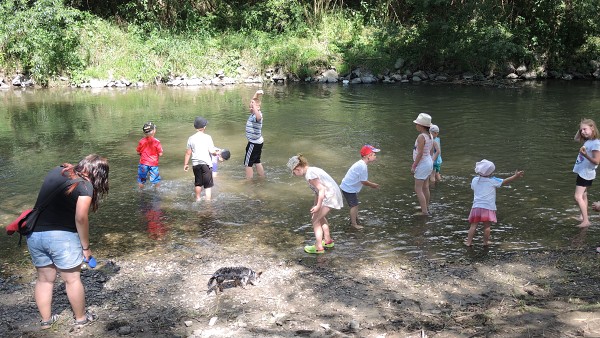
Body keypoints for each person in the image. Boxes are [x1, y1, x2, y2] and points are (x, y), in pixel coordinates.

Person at [26, 154, 109, 329]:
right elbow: (81, 218)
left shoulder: (58, 170)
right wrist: (86, 247)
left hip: (35, 234)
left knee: (44, 280)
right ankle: (81, 319)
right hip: (61, 238)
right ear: (99, 175)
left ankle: (46, 321)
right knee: (72, 280)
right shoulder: (86, 187)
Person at [287, 154, 343, 254]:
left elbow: (322, 189)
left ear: (298, 168)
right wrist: (315, 205)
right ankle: (328, 240)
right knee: (319, 217)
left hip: (330, 196)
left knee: (315, 220)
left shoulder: (310, 174)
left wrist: (318, 206)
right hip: (331, 194)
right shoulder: (311, 170)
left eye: (294, 172)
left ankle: (318, 247)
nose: (294, 174)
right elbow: (317, 191)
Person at [465, 159, 524, 246]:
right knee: (487, 226)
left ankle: (468, 242)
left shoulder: (474, 180)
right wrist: (515, 176)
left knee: (473, 225)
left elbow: (473, 188)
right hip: (488, 207)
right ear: (491, 172)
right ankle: (485, 242)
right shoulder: (493, 180)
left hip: (476, 206)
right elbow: (505, 181)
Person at [339, 144, 381, 229]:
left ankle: (355, 218)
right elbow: (364, 182)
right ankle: (354, 224)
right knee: (354, 205)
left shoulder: (361, 164)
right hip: (348, 188)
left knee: (355, 204)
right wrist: (373, 185)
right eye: (374, 155)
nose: (375, 156)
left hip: (348, 186)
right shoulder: (362, 166)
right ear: (368, 156)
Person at [573, 118, 600, 228]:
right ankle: (582, 216)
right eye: (581, 130)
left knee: (577, 196)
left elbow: (597, 161)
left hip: (586, 173)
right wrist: (581, 128)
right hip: (584, 172)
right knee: (583, 194)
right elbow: (576, 139)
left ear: (592, 128)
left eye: (585, 129)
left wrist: (585, 155)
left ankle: (586, 221)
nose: (582, 132)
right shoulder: (588, 140)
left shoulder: (596, 143)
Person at [184, 117, 219, 201]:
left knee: (198, 183)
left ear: (194, 127)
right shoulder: (207, 137)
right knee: (207, 185)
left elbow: (188, 153)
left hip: (196, 164)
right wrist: (216, 153)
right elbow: (211, 151)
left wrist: (185, 164)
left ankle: (198, 198)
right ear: (204, 127)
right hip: (206, 164)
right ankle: (208, 201)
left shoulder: (191, 138)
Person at [411, 113, 434, 215]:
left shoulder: (421, 136)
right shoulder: (430, 135)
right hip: (429, 162)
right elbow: (430, 150)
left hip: (423, 163)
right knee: (425, 187)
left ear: (421, 126)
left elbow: (420, 153)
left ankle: (424, 211)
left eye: (417, 124)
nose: (416, 125)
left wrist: (414, 165)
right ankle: (426, 206)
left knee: (418, 188)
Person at [244, 89, 265, 179]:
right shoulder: (253, 113)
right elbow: (253, 102)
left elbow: (259, 117)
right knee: (257, 161)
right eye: (250, 107)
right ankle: (262, 177)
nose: (250, 108)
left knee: (248, 164)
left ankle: (248, 181)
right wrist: (256, 94)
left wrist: (255, 108)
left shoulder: (257, 115)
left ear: (257, 108)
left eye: (252, 107)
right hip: (258, 142)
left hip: (253, 143)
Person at [136, 122, 163, 189]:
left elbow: (138, 152)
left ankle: (141, 192)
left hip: (143, 164)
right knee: (156, 180)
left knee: (141, 180)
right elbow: (160, 154)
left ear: (144, 132)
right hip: (153, 164)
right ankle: (157, 191)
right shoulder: (157, 141)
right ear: (154, 131)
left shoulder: (141, 141)